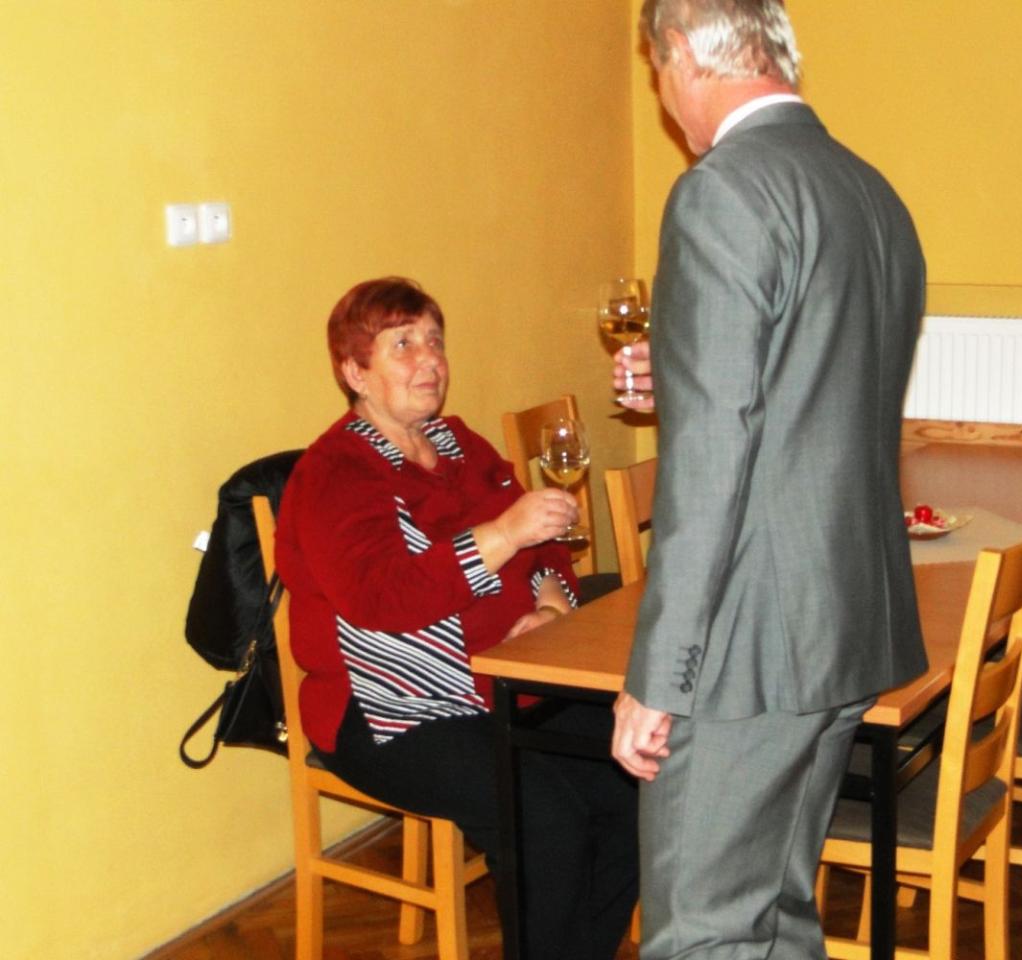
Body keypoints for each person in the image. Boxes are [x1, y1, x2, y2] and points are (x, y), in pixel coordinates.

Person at [610, 2, 929, 957]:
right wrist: (681, 371)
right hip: (845, 624)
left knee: (705, 932)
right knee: (777, 917)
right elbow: (813, 386)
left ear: (679, 53)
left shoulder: (721, 190)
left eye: (656, 71)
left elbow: (712, 465)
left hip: (749, 645)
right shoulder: (868, 189)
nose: (664, 99)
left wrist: (659, 678)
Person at [276, 277, 637, 960]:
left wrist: (550, 602)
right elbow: (382, 598)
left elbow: (546, 541)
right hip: (389, 708)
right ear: (355, 373)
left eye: (434, 341)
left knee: (638, 768)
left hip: (505, 678)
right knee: (543, 818)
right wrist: (502, 533)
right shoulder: (337, 473)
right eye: (402, 345)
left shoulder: (458, 442)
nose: (429, 360)